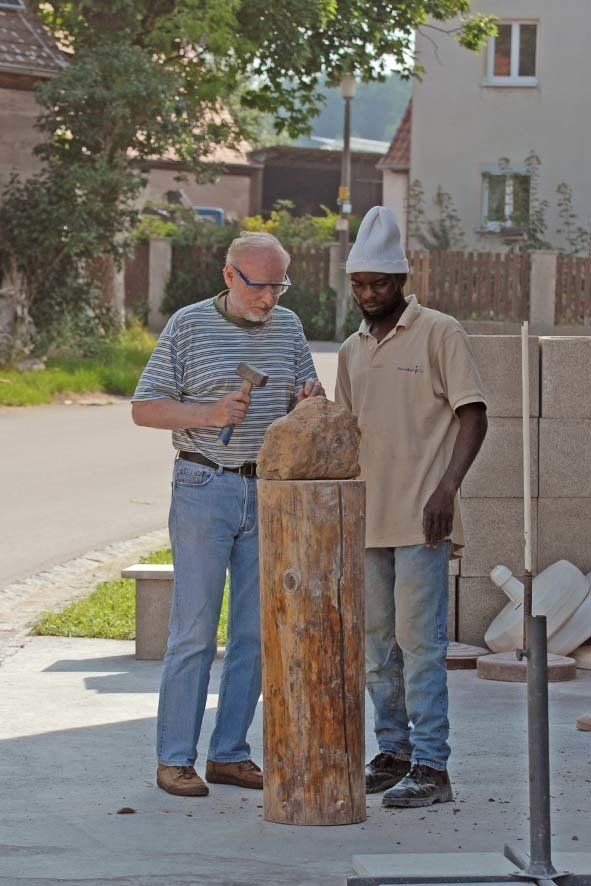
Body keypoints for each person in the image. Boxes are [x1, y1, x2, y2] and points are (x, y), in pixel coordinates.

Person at [132, 231, 324, 797]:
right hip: (203, 483)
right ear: (229, 276)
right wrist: (209, 412)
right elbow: (144, 409)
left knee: (255, 632)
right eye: (259, 285)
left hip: (266, 488)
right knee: (193, 631)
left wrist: (306, 399)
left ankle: (230, 753)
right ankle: (174, 759)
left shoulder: (287, 327)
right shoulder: (189, 326)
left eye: (278, 285)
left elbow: (301, 394)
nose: (269, 298)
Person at [335, 206, 488, 808]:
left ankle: (433, 766)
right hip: (367, 518)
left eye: (378, 284)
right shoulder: (350, 349)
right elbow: (347, 429)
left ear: (401, 280)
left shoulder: (439, 332)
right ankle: (393, 751)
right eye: (358, 285)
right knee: (377, 646)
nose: (368, 294)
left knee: (420, 644)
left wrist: (446, 489)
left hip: (423, 517)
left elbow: (472, 415)